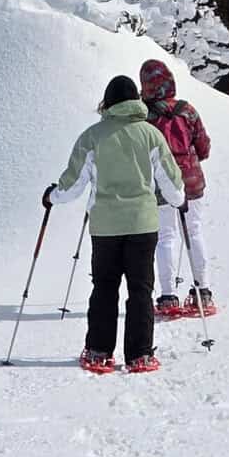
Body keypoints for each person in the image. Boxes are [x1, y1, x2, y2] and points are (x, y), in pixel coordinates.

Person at [45, 75, 184, 373]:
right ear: (136, 100)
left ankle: (98, 351)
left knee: (105, 287)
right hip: (143, 224)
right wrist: (179, 198)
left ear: (107, 103)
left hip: (106, 227)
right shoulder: (151, 134)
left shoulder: (92, 137)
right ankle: (140, 355)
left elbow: (73, 185)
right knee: (141, 289)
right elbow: (171, 182)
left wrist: (52, 196)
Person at [139, 59, 215, 318]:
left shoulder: (145, 116)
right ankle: (203, 292)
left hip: (162, 184)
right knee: (193, 231)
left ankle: (168, 295)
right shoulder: (187, 110)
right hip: (192, 180)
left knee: (166, 237)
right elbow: (203, 147)